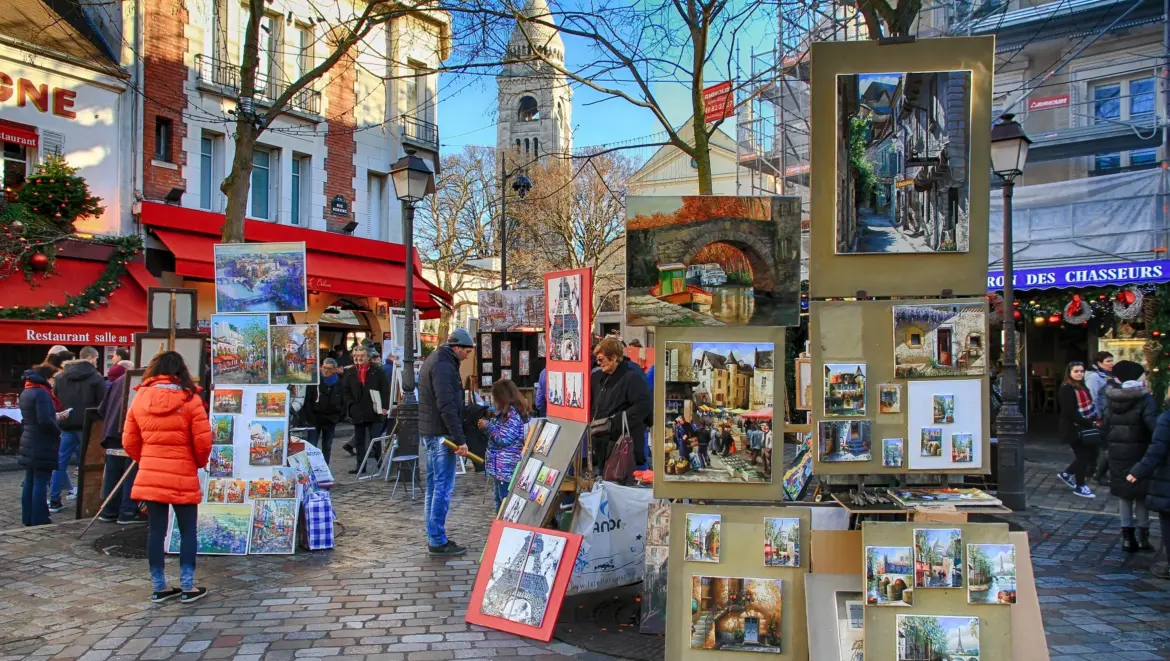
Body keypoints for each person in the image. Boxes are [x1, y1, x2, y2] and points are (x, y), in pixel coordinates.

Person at [122, 351, 212, 603]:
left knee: (155, 531)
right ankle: (187, 586)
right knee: (188, 531)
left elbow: (129, 440)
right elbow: (203, 442)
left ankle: (159, 586)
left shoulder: (139, 398)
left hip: (151, 473)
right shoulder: (190, 399)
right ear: (180, 370)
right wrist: (198, 462)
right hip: (182, 471)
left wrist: (147, 460)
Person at [418, 329, 474, 556]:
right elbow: (446, 405)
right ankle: (438, 540)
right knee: (441, 488)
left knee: (434, 487)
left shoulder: (438, 360)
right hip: (442, 436)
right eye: (467, 351)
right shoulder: (443, 365)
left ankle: (434, 535)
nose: (468, 356)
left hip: (433, 432)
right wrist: (460, 439)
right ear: (457, 347)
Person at [1103, 360, 1158, 552]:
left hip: (1117, 454)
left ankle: (1127, 538)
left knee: (1124, 496)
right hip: (1140, 453)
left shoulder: (1112, 399)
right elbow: (1154, 428)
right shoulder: (1145, 400)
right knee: (1141, 495)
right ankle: (1143, 537)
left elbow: (1105, 426)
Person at [50, 346, 107, 512]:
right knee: (90, 464)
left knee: (60, 463)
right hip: (88, 427)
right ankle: (88, 503)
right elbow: (102, 405)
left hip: (66, 425)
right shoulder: (96, 378)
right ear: (90, 359)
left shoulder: (60, 377)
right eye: (96, 360)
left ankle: (54, 499)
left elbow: (55, 399)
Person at [589, 337, 652, 478]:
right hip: (602, 446)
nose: (598, 363)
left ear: (614, 358)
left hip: (624, 446)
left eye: (601, 359)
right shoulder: (598, 377)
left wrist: (615, 421)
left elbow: (644, 406)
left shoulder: (632, 378)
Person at [1126, 393, 1170, 578]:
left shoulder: (1167, 419)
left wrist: (1137, 471)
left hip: (1167, 480)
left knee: (1168, 521)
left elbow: (1157, 449)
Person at [19, 364, 66, 526]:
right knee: (40, 481)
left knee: (30, 480)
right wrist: (57, 431)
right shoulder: (42, 393)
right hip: (41, 441)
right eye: (53, 378)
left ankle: (28, 517)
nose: (54, 381)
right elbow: (45, 420)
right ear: (47, 377)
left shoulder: (28, 391)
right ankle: (39, 517)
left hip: (29, 439)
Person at [96, 363, 141, 524]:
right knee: (130, 473)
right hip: (127, 432)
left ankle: (109, 510)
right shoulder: (140, 380)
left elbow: (102, 409)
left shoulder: (119, 380)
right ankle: (127, 511)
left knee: (113, 473)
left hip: (111, 432)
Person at [341, 345, 392, 474]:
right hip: (358, 410)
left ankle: (379, 463)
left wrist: (385, 407)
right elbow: (345, 390)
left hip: (374, 409)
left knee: (375, 438)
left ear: (368, 357)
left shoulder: (377, 370)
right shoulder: (350, 371)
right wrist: (350, 404)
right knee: (359, 440)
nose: (359, 358)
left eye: (362, 356)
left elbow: (385, 390)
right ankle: (361, 466)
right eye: (356, 356)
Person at [479, 379, 529, 510]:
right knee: (499, 500)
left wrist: (488, 426)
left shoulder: (512, 415)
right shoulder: (506, 414)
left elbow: (503, 439)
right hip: (500, 467)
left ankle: (503, 528)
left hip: (506, 467)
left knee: (504, 502)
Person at [1056, 361, 1101, 498]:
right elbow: (1070, 412)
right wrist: (1090, 423)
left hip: (1083, 425)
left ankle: (1067, 474)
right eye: (1076, 371)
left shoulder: (1081, 386)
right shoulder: (1067, 389)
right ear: (1069, 372)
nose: (1079, 374)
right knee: (1083, 457)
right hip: (1073, 428)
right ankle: (1080, 486)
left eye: (1081, 371)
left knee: (1088, 455)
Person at [303, 358, 344, 464]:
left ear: (334, 370)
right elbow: (308, 399)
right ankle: (311, 467)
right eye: (324, 368)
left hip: (331, 419)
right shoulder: (315, 381)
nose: (326, 371)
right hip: (315, 418)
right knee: (312, 445)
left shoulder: (339, 382)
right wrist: (309, 416)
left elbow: (343, 400)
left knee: (327, 446)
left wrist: (339, 416)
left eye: (329, 369)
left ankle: (325, 468)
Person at [1087, 351, 1115, 483]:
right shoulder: (1094, 377)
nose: (1111, 364)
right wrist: (1097, 416)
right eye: (1108, 361)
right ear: (1099, 363)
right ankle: (1096, 472)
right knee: (1103, 445)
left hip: (1106, 414)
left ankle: (1095, 471)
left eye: (1111, 360)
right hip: (1099, 415)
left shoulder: (1107, 375)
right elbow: (1093, 397)